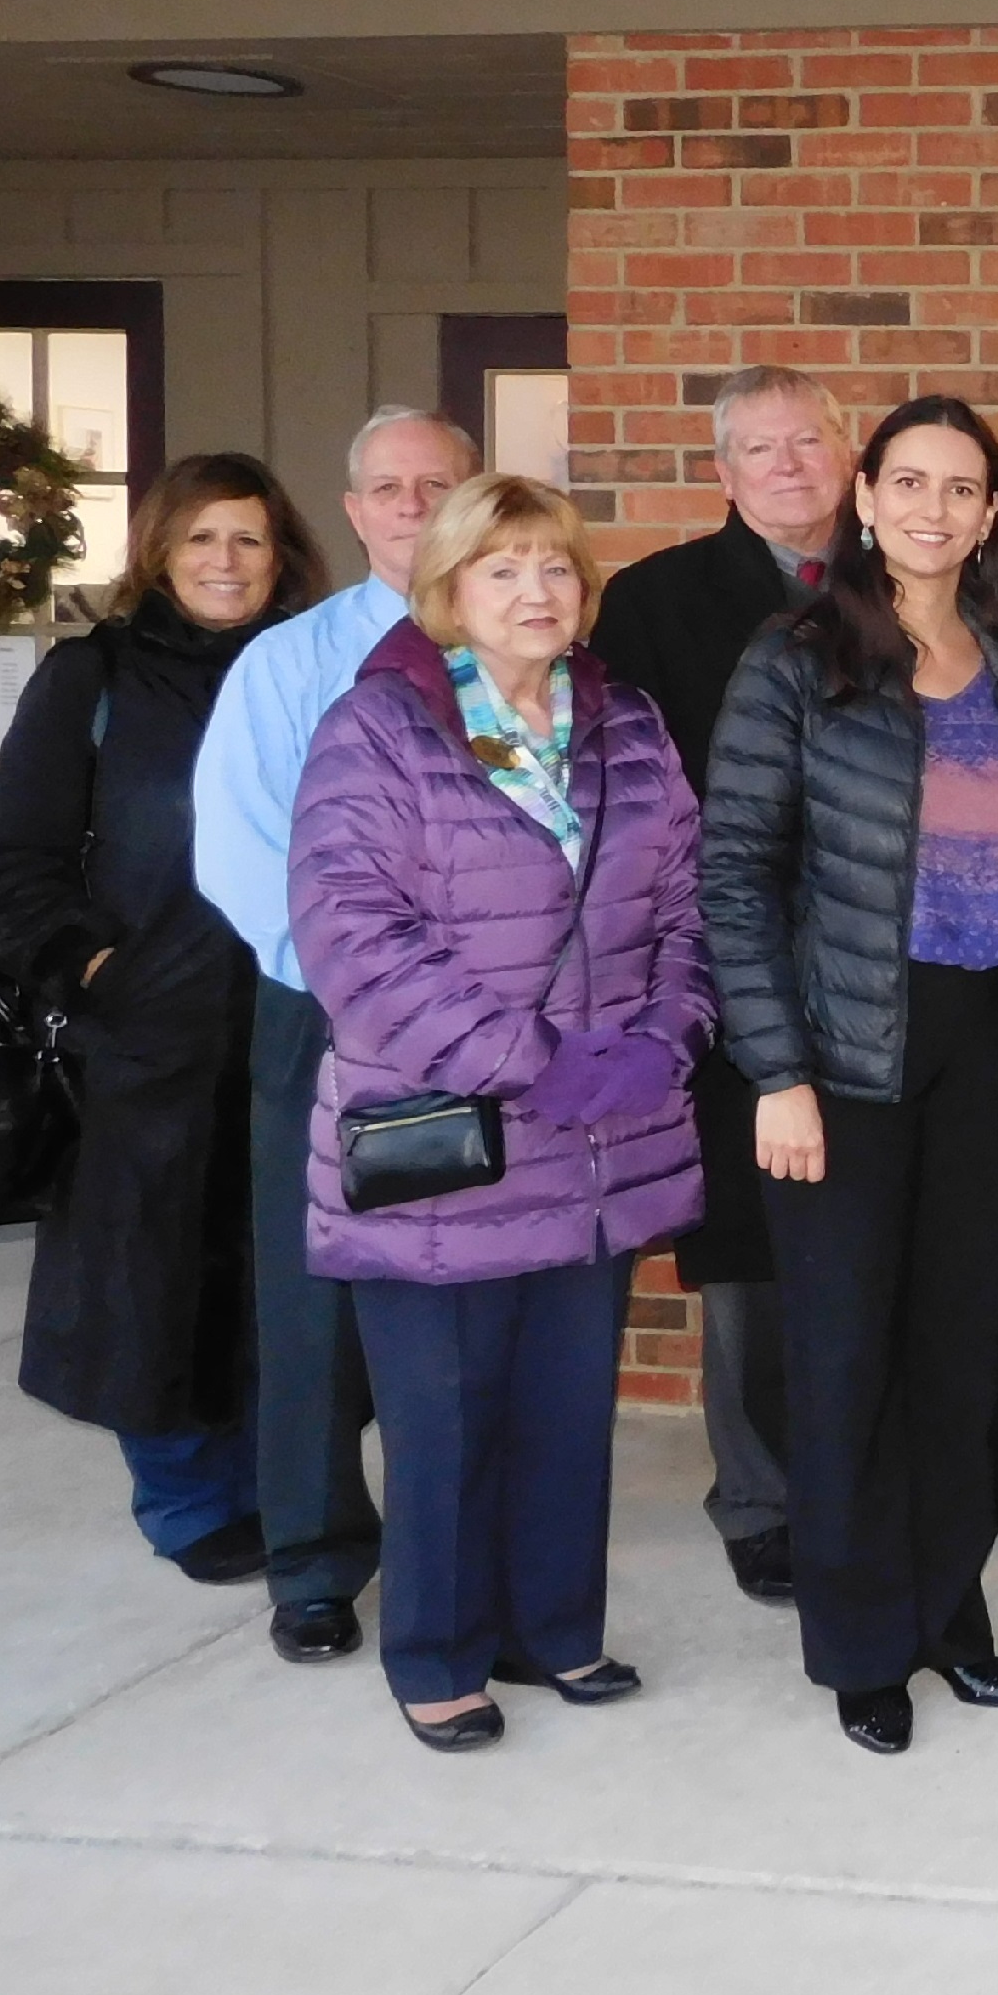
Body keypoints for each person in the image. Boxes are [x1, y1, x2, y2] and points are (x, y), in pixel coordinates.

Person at [289, 476, 708, 1750]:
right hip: (451, 1136)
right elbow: (354, 938)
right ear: (448, 589)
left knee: (565, 1410)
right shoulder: (379, 728)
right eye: (502, 568)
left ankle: (552, 1629)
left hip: (597, 1139)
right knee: (446, 1420)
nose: (537, 592)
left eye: (556, 567)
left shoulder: (626, 723)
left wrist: (667, 1037)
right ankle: (438, 1652)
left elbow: (688, 901)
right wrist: (530, 1062)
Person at [700, 393, 998, 1757]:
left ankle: (948, 1609)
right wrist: (775, 1071)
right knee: (846, 1354)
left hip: (984, 1038)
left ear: (988, 514)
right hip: (843, 1049)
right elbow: (734, 875)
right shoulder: (796, 657)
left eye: (961, 488)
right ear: (864, 497)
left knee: (958, 1345)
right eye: (909, 481)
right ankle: (860, 1643)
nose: (933, 508)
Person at [0, 455, 328, 1584]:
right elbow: (10, 859)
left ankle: (284, 1482)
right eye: (200, 538)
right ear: (160, 552)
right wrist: (97, 970)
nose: (225, 561)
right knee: (150, 1273)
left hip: (295, 1026)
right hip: (146, 1039)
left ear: (282, 558)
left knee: (283, 1269)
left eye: (248, 539)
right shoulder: (95, 676)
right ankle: (185, 1497)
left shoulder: (313, 671)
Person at [193, 402, 476, 1663]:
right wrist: (373, 988)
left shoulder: (527, 644)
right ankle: (312, 1560)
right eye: (389, 488)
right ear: (354, 511)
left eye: (438, 484)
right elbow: (239, 849)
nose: (413, 506)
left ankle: (458, 1541)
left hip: (488, 1020)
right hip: (324, 1015)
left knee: (468, 1286)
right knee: (311, 1296)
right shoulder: (287, 663)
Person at [588, 362, 853, 1611]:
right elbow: (626, 793)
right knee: (751, 1249)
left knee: (871, 1231)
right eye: (761, 448)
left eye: (808, 442)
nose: (789, 465)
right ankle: (761, 1498)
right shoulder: (656, 602)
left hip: (884, 966)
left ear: (846, 454)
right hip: (732, 962)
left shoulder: (904, 581)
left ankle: (861, 1477)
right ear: (723, 471)